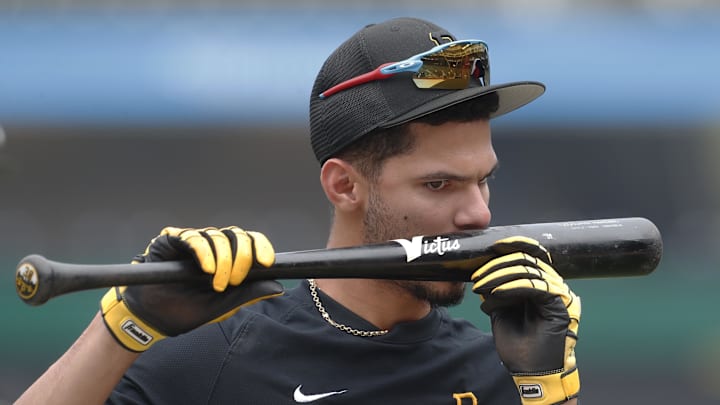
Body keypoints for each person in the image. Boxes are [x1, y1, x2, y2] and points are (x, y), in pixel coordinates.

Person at [16, 17, 581, 405]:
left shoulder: (515, 370)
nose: (477, 214)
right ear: (344, 186)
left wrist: (546, 396)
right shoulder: (221, 353)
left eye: (485, 182)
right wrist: (120, 327)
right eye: (439, 185)